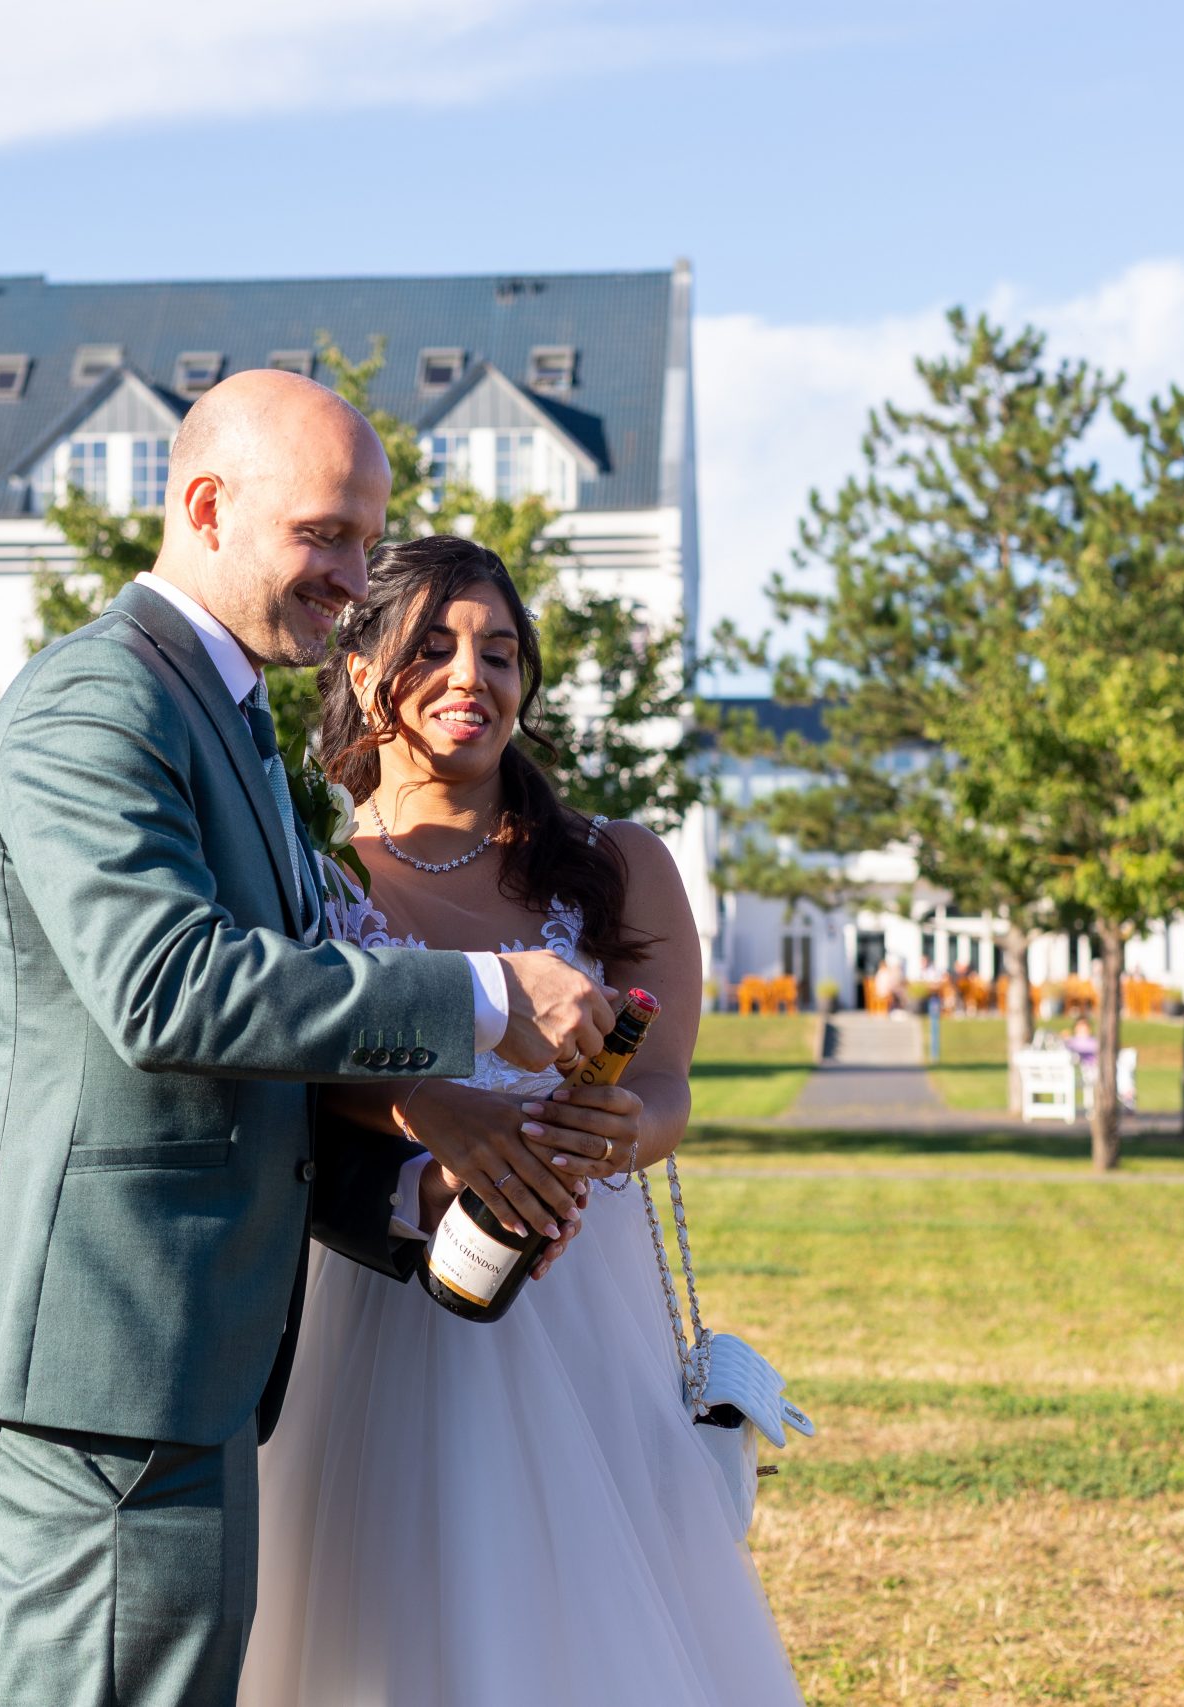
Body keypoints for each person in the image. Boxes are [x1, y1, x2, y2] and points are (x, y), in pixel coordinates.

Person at [0, 371, 617, 1707]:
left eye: (368, 536)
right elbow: (170, 990)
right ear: (205, 507)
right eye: (324, 534)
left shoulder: (227, 716)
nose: (354, 574)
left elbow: (256, 1068)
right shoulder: (96, 702)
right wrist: (485, 996)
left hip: (174, 1354)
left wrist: (417, 1193)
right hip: (107, 1352)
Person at [239, 535, 802, 1706]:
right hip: (381, 1289)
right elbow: (279, 1057)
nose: (471, 676)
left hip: (583, 1295)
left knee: (596, 1613)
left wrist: (619, 1132)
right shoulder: (311, 874)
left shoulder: (617, 863)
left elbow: (667, 1088)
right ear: (360, 672)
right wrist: (423, 1108)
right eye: (434, 647)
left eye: (499, 652)